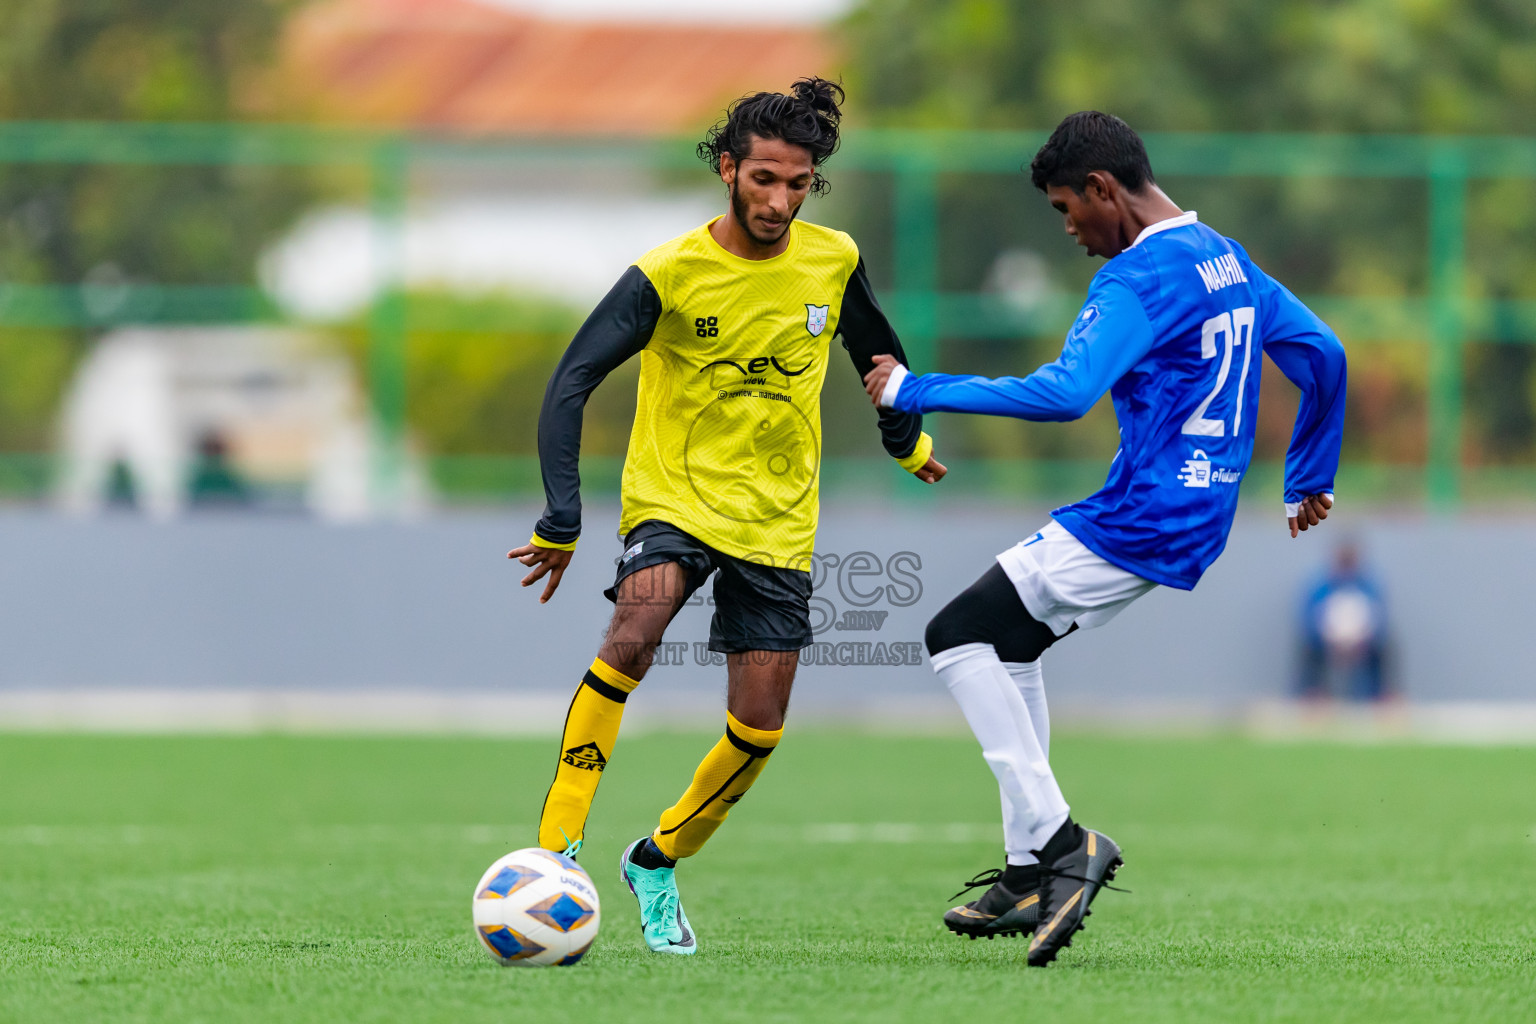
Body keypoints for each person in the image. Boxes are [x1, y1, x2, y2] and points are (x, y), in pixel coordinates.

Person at [863, 111, 1346, 967]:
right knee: (1008, 647)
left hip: (1141, 511)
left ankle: (1060, 845)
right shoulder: (1223, 256)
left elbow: (1063, 393)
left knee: (953, 635)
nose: (1069, 228)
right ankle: (1023, 871)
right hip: (1198, 513)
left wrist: (914, 387)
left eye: (1064, 208)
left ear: (1102, 190)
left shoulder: (1138, 277)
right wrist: (1308, 472)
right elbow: (1322, 351)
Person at [508, 78, 946, 956]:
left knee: (759, 726)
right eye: (764, 181)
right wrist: (563, 515)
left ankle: (657, 859)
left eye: (798, 183)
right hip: (673, 499)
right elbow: (571, 381)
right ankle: (555, 851)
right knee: (637, 625)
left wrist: (905, 440)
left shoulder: (832, 258)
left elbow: (880, 352)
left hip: (778, 524)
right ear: (727, 168)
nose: (780, 201)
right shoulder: (668, 273)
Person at [1298, 540, 1391, 701]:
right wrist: (1327, 640)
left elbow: (1378, 619)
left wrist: (1363, 640)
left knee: (1385, 649)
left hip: (1362, 643)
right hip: (1326, 642)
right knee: (1308, 649)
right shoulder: (1321, 585)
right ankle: (1313, 694)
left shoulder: (1367, 585)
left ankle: (1379, 695)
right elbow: (1309, 619)